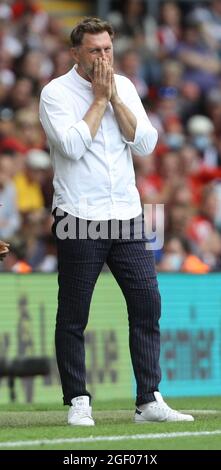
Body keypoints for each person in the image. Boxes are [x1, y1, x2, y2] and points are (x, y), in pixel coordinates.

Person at [39, 17, 194, 425]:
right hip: (78, 214)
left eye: (107, 49)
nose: (103, 57)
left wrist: (115, 99)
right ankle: (78, 400)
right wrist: (97, 100)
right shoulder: (55, 93)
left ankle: (148, 399)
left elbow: (145, 143)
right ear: (76, 54)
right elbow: (71, 148)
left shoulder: (123, 86)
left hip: (127, 213)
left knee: (147, 303)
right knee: (74, 313)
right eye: (94, 50)